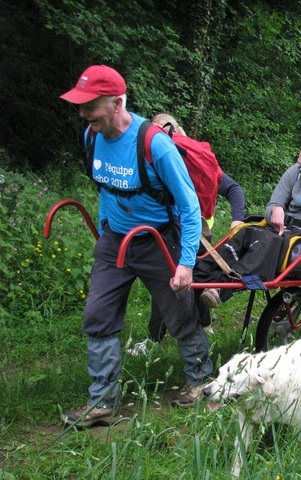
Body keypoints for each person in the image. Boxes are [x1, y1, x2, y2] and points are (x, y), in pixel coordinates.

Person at [59, 65, 213, 427]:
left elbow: (189, 206)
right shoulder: (91, 137)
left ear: (116, 102)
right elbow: (106, 190)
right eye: (80, 106)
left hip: (158, 240)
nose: (83, 114)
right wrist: (103, 230)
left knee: (179, 314)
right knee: (98, 316)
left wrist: (186, 263)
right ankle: (102, 402)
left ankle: (202, 381)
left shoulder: (154, 143)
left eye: (90, 106)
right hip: (116, 242)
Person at [196, 125, 301, 307]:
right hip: (281, 233)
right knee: (245, 232)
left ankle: (222, 286)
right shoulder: (295, 172)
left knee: (269, 240)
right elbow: (272, 206)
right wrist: (276, 209)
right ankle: (199, 273)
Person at [145, 113, 246, 341]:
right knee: (197, 278)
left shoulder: (178, 158)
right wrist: (236, 218)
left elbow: (233, 189)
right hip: (201, 233)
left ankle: (155, 340)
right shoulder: (198, 158)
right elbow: (234, 189)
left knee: (168, 281)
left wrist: (238, 219)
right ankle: (204, 326)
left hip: (181, 231)